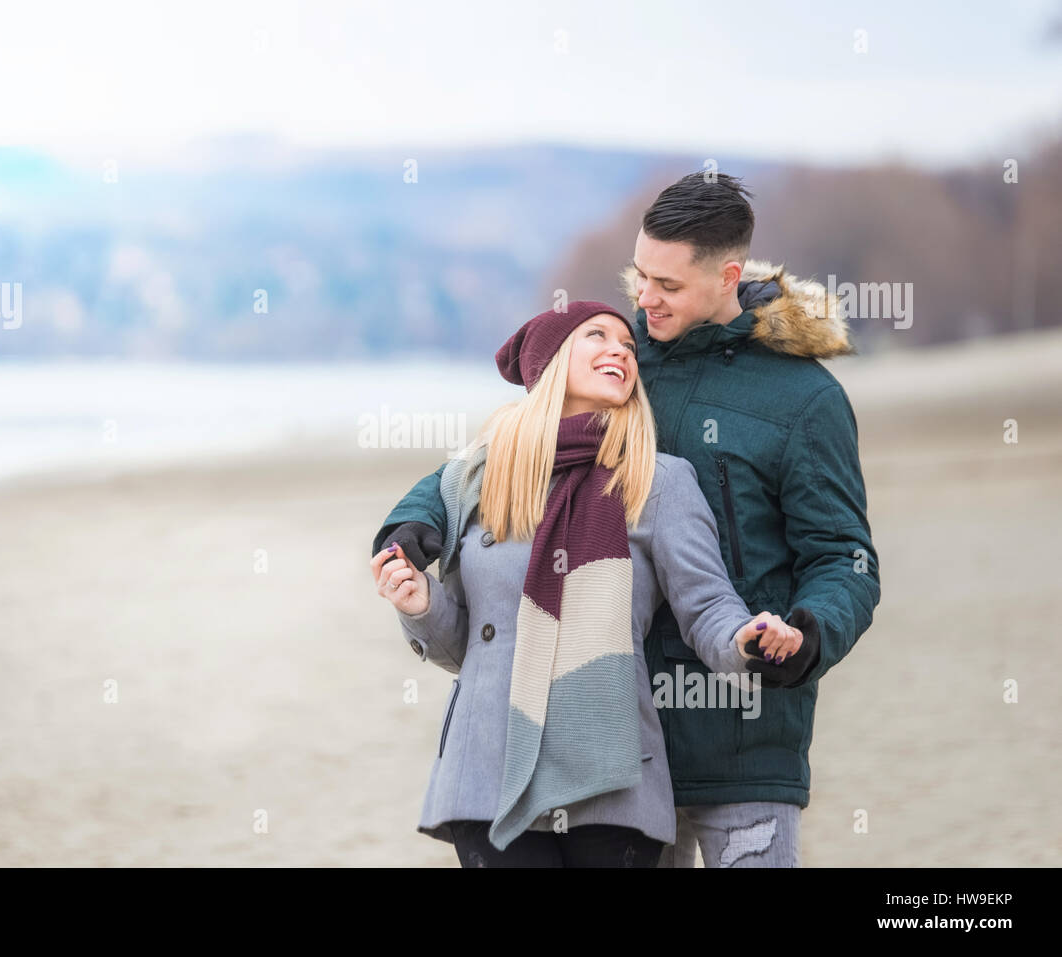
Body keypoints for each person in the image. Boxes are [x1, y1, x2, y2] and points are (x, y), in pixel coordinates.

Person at [371, 172, 881, 867]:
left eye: (667, 286)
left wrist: (807, 632)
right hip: (611, 754)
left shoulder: (803, 399)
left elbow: (842, 556)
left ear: (729, 275)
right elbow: (487, 466)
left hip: (744, 737)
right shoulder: (624, 364)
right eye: (640, 276)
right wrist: (410, 528)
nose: (644, 299)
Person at [370, 299, 802, 867]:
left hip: (612, 775)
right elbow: (467, 650)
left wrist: (749, 637)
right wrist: (420, 604)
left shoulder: (658, 480)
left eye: (627, 345)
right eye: (597, 336)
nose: (619, 351)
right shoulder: (479, 478)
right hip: (489, 771)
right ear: (550, 363)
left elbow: (706, 606)